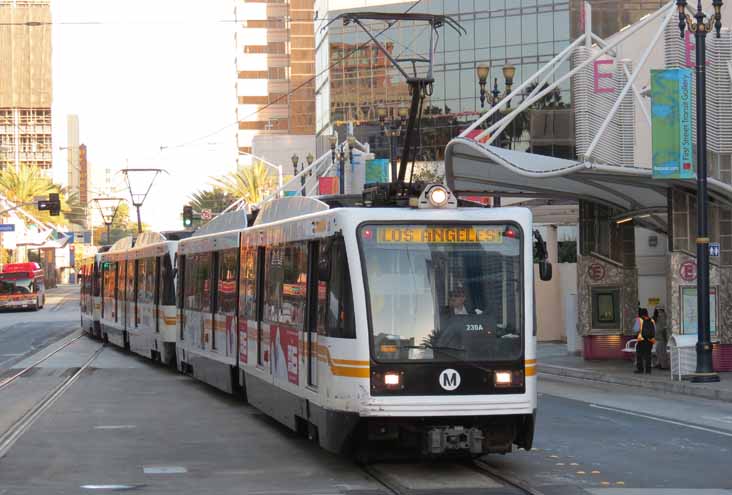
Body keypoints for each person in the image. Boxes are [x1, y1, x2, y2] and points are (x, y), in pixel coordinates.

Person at [633, 308, 656, 374]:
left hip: (641, 340)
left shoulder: (639, 320)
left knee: (639, 355)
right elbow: (655, 330)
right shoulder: (652, 320)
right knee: (648, 355)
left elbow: (635, 330)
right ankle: (648, 370)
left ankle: (640, 369)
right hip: (650, 340)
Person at [653, 305, 669, 369]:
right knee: (658, 350)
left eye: (657, 310)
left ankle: (664, 365)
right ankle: (660, 363)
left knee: (661, 351)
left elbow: (663, 328)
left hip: (661, 337)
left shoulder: (663, 317)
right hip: (659, 337)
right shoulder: (660, 317)